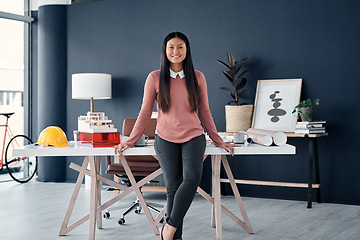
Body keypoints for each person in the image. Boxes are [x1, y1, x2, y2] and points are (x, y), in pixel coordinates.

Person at [115, 32, 235, 240]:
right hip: (165, 139)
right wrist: (131, 140)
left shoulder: (197, 77)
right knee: (172, 187)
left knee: (191, 179)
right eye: (171, 47)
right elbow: (144, 112)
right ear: (165, 50)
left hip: (194, 137)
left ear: (187, 50)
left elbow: (205, 111)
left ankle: (168, 229)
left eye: (180, 47)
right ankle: (174, 237)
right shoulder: (154, 77)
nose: (175, 51)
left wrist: (218, 140)